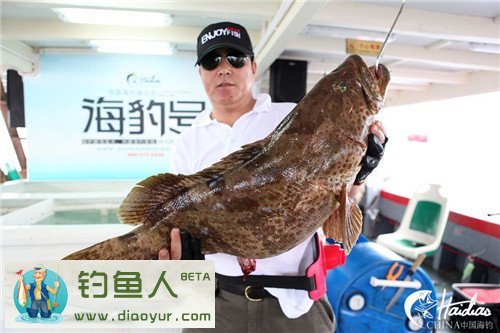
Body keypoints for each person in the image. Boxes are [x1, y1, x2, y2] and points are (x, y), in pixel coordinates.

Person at [160, 21, 387, 332]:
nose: (224, 69)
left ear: (253, 67)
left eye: (235, 59)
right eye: (212, 61)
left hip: (294, 306)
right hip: (214, 304)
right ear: (201, 72)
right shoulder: (186, 142)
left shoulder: (291, 116)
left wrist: (360, 175)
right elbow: (177, 219)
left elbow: (337, 198)